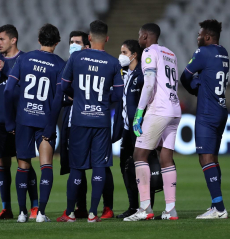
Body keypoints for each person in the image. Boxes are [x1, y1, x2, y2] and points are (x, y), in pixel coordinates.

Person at [57, 20, 123, 223]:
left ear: (89, 38)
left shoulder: (76, 57)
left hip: (79, 119)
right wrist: (102, 99)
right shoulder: (113, 62)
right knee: (99, 166)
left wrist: (78, 97)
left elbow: (63, 85)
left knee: (76, 167)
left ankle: (69, 213)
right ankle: (93, 213)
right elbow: (118, 94)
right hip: (101, 121)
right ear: (108, 38)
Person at [4, 23, 66, 223]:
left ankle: (22, 213)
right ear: (56, 42)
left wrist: (10, 121)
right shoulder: (59, 64)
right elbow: (58, 98)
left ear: (39, 40)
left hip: (23, 119)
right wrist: (51, 123)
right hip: (45, 120)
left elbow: (8, 91)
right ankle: (41, 213)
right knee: (45, 165)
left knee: (22, 166)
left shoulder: (24, 58)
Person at [124, 23, 181, 221]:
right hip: (175, 110)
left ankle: (145, 208)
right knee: (166, 158)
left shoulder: (149, 52)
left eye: (140, 35)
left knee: (139, 154)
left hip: (159, 110)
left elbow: (149, 84)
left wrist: (139, 113)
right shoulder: (171, 53)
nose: (139, 39)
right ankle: (170, 209)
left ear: (146, 36)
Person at [0, 24, 39, 220]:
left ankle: (34, 207)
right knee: (2, 162)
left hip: (21, 119)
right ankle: (6, 208)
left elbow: (27, 85)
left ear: (13, 39)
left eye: (1, 39)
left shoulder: (25, 59)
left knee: (24, 161)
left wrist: (6, 72)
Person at [180, 19, 229, 219]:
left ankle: (219, 208)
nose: (198, 37)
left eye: (200, 34)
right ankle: (214, 205)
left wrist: (195, 87)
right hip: (221, 109)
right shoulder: (224, 52)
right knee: (213, 160)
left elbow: (184, 77)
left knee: (205, 158)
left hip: (207, 112)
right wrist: (201, 83)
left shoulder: (203, 53)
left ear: (207, 37)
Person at [112, 39, 163, 218]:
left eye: (124, 52)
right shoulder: (125, 74)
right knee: (126, 167)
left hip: (140, 128)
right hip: (127, 129)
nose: (121, 56)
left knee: (143, 165)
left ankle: (146, 207)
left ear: (134, 55)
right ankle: (133, 206)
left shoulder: (142, 75)